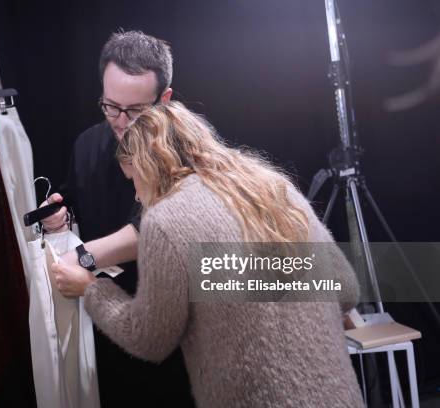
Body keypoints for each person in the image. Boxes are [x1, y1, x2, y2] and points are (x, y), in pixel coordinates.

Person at [51, 101, 365, 407]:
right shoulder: (272, 187)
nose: (136, 194)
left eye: (134, 179)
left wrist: (90, 289)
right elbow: (346, 289)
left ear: (149, 166)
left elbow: (149, 338)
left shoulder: (166, 220)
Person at [41, 31, 195, 406]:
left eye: (137, 111)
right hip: (106, 323)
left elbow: (157, 229)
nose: (122, 121)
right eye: (111, 107)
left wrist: (85, 258)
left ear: (166, 99)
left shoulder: (189, 146)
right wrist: (59, 216)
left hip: (175, 330)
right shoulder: (88, 144)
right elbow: (77, 197)